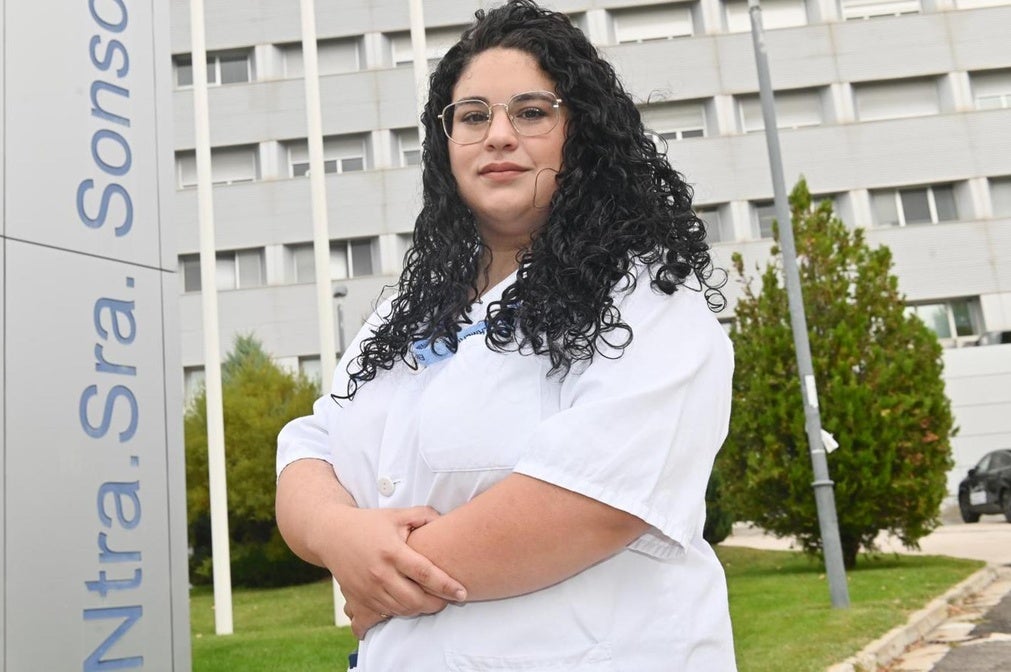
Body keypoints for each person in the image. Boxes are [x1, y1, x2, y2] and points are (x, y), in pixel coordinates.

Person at [275, 1, 735, 669]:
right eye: (472, 116)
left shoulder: (650, 299)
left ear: (580, 136)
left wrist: (380, 579)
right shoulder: (405, 311)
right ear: (446, 145)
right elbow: (310, 446)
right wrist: (337, 534)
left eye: (530, 112)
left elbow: (590, 503)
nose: (497, 135)